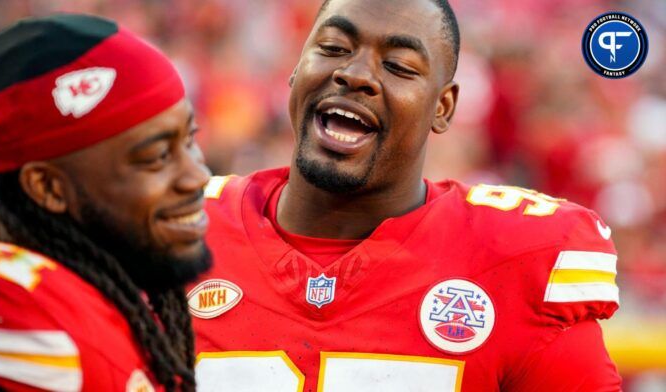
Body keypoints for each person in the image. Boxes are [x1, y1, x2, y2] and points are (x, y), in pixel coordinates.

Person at [189, 0, 621, 390]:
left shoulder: (515, 261)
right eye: (334, 48)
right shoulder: (178, 229)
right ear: (295, 68)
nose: (355, 75)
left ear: (443, 107)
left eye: (398, 66)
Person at [0, 14, 211, 392]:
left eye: (189, 140)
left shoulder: (116, 297)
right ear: (47, 187)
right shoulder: (24, 316)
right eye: (157, 157)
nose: (198, 176)